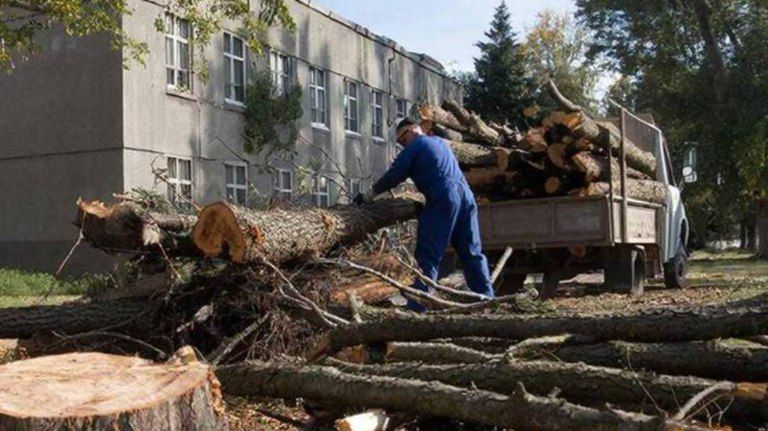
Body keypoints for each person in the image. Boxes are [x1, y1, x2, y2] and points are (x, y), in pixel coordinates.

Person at [355, 118, 495, 310]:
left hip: (444, 197)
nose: (403, 145)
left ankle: (417, 306)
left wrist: (367, 196)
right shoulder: (439, 143)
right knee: (471, 252)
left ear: (412, 130)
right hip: (467, 198)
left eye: (403, 140)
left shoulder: (417, 146)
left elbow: (394, 175)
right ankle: (487, 300)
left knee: (428, 254)